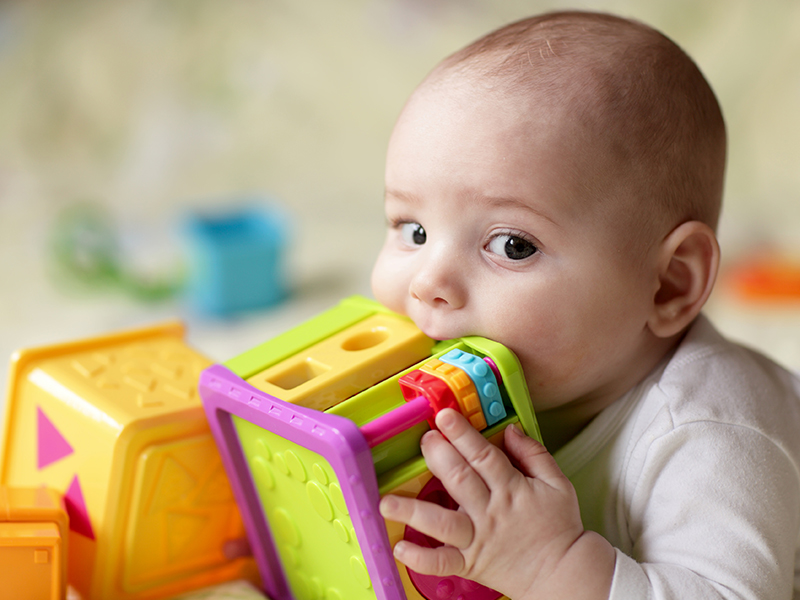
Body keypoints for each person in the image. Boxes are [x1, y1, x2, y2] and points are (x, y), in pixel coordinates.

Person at [370, 10, 800, 600]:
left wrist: (550, 567)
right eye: (412, 230)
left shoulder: (709, 435)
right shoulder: (523, 384)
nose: (427, 283)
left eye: (513, 246)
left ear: (669, 284)